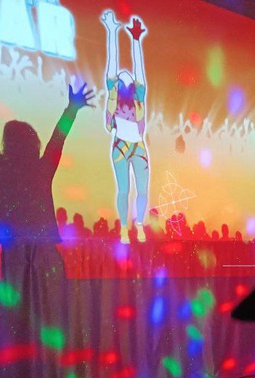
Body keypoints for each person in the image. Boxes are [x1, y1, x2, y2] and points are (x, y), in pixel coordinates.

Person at [0, 56, 94, 279]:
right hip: (44, 248)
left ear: (7, 143)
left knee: (18, 298)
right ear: (34, 142)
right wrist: (72, 109)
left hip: (15, 249)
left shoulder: (0, 167)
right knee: (47, 297)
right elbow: (59, 137)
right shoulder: (42, 168)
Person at [101, 11, 150, 245]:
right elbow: (112, 65)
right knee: (123, 189)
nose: (126, 73)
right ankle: (123, 228)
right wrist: (112, 31)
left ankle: (139, 225)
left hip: (138, 146)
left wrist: (136, 40)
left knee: (142, 190)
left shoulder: (139, 94)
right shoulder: (114, 94)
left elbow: (139, 70)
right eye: (122, 75)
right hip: (120, 145)